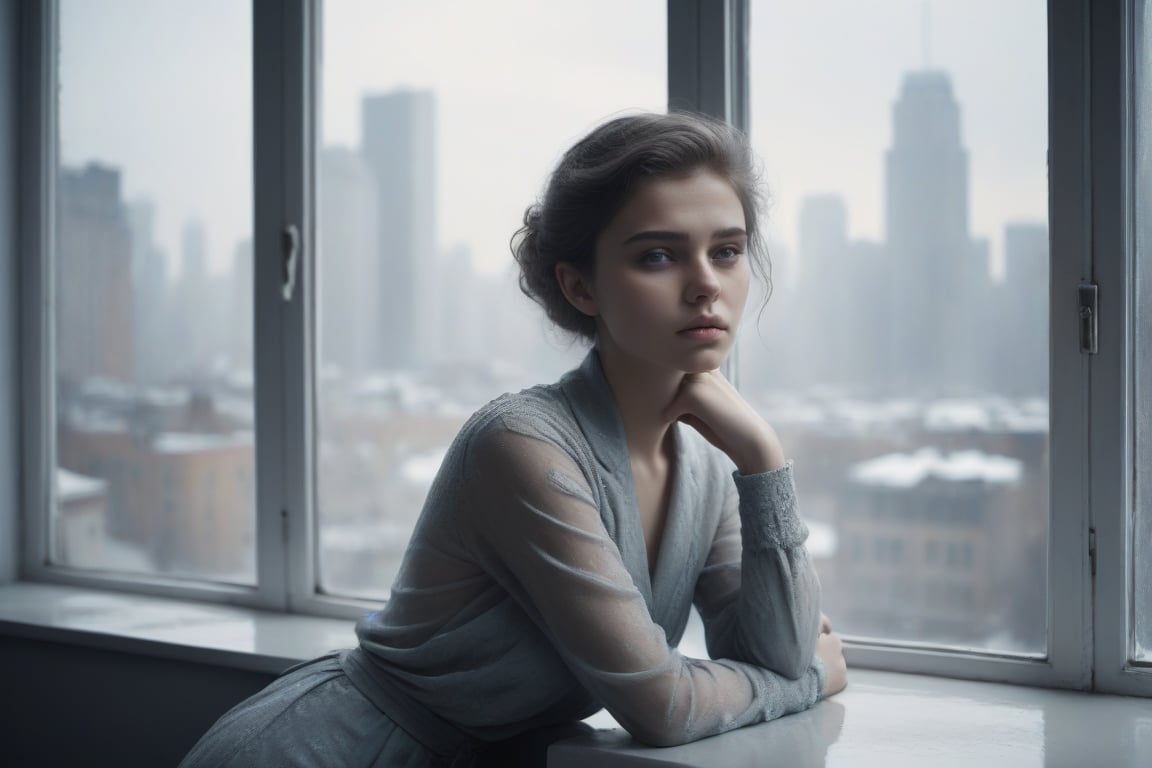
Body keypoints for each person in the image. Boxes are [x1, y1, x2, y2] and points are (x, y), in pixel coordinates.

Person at [180, 111, 848, 768]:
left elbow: (775, 651)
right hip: (331, 750)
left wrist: (763, 461)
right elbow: (663, 705)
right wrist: (810, 681)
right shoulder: (522, 446)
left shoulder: (704, 464)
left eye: (727, 251)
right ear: (579, 285)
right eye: (657, 255)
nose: (706, 283)